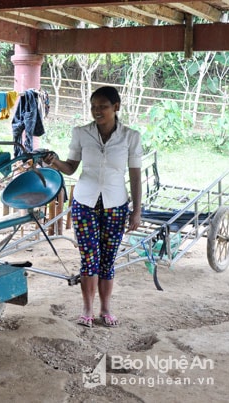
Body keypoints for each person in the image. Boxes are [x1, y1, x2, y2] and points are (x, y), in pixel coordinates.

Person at [44, 86, 142, 328]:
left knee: (108, 260)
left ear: (116, 107)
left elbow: (136, 176)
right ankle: (87, 309)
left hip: (116, 205)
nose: (97, 111)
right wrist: (54, 161)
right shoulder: (81, 133)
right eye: (94, 107)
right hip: (84, 203)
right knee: (89, 259)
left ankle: (106, 309)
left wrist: (136, 211)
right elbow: (71, 168)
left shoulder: (130, 137)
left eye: (103, 106)